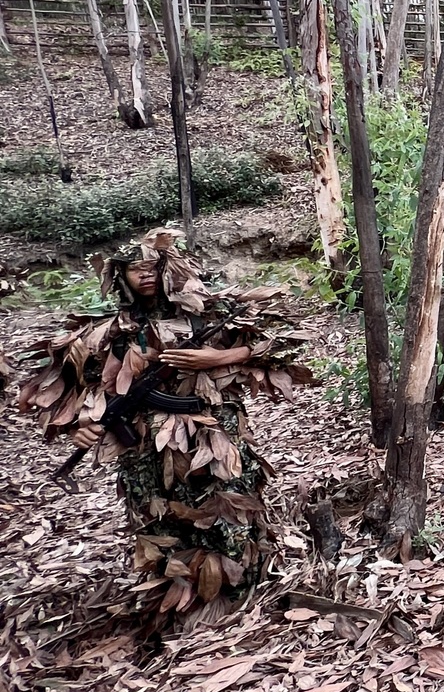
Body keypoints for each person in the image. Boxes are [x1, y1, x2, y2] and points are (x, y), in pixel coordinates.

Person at [15, 229, 309, 619]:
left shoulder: (207, 311)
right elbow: (60, 391)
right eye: (135, 269)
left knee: (226, 515)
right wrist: (78, 426)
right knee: (159, 522)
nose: (146, 275)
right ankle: (180, 606)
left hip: (210, 433)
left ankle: (242, 598)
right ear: (119, 276)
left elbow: (281, 343)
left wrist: (217, 359)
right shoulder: (104, 330)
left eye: (152, 265)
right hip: (141, 447)